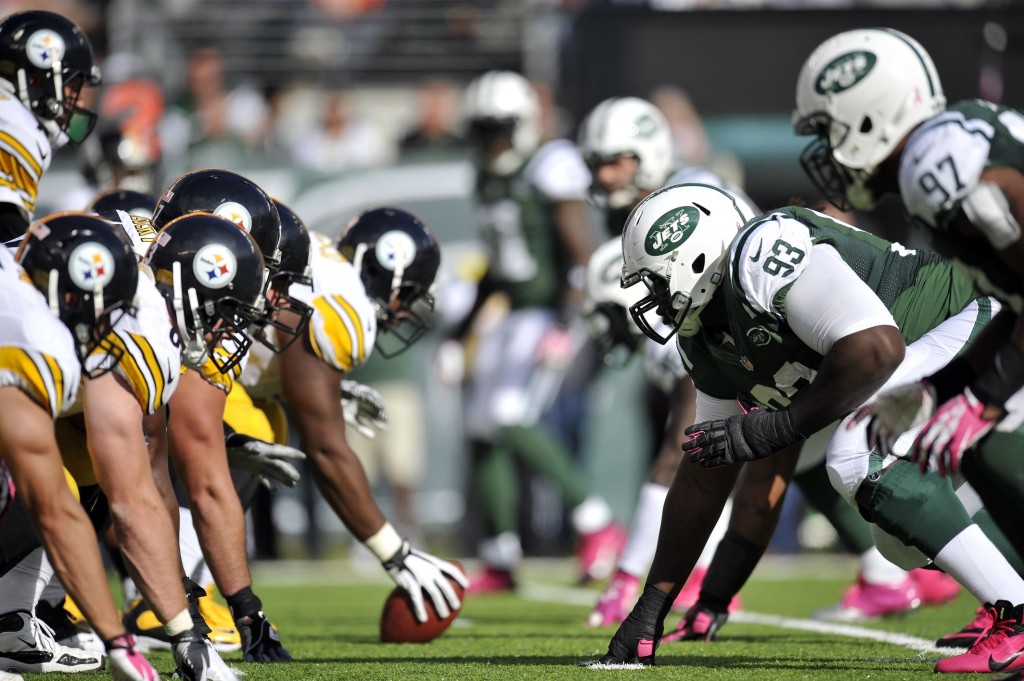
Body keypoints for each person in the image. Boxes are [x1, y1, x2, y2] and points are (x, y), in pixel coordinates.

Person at [588, 183, 1024, 669]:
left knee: (859, 451)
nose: (653, 300)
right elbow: (704, 477)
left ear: (693, 258)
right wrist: (651, 608)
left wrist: (778, 427)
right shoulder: (706, 340)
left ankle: (1018, 613)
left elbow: (876, 349)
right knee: (898, 542)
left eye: (655, 281)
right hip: (923, 364)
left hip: (976, 322)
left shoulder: (759, 256)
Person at [793, 27, 1024, 673]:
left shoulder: (936, 164)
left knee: (973, 437)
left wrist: (982, 398)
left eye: (830, 129)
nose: (829, 153)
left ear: (869, 116)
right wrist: (949, 388)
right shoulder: (945, 147)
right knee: (961, 431)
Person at [236, 202, 468, 625]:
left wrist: (331, 389)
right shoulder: (345, 306)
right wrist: (395, 553)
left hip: (207, 365)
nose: (404, 310)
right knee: (251, 432)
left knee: (261, 424)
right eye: (407, 294)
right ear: (383, 272)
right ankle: (182, 604)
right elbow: (325, 450)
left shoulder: (325, 261)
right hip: (193, 367)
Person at [451, 69, 624, 592]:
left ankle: (597, 523)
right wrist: (458, 332)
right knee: (480, 426)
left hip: (550, 313)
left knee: (508, 416)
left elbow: (581, 254)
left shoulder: (550, 165)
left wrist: (568, 323)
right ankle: (500, 556)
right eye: (483, 130)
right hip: (511, 313)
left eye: (499, 129)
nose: (492, 141)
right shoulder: (486, 174)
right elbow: (499, 262)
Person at [1, 215, 161, 680]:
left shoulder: (28, 305)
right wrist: (120, 641)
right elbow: (54, 506)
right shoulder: (33, 331)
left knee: (65, 476)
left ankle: (13, 620)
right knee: (36, 488)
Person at [0, 10, 100, 244]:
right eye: (72, 87)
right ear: (36, 79)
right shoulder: (14, 126)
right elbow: (8, 244)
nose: (80, 103)